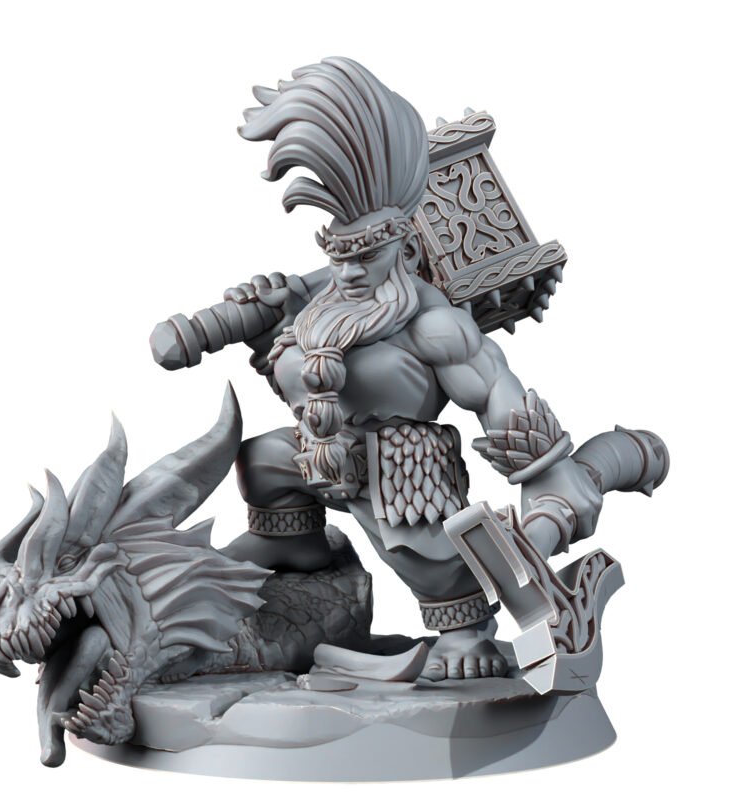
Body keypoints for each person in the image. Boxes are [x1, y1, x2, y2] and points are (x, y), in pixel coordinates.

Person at [171, 58, 603, 680]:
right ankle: (293, 542)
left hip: (398, 465)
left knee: (427, 557)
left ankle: (465, 633)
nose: (349, 273)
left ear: (402, 245)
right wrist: (258, 318)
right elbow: (286, 362)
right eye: (338, 256)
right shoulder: (320, 298)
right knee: (261, 461)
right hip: (318, 451)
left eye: (367, 257)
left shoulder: (433, 323)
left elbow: (494, 393)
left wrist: (551, 483)